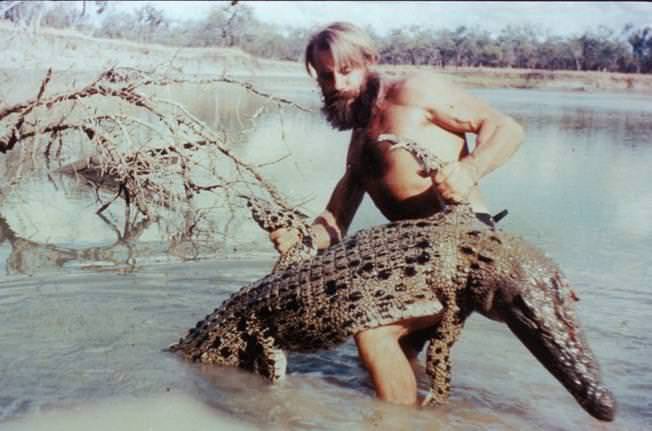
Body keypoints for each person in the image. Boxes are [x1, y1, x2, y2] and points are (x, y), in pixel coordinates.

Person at [270, 22, 524, 406]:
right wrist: (301, 239)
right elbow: (335, 221)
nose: (337, 84)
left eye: (347, 70)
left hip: (465, 243)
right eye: (325, 76)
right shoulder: (359, 138)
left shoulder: (414, 91)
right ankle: (432, 415)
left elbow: (507, 128)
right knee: (395, 352)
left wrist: (470, 169)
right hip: (415, 256)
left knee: (374, 331)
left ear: (370, 62)